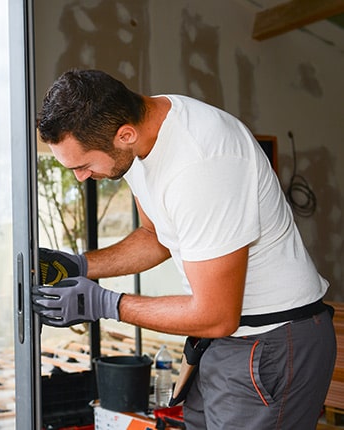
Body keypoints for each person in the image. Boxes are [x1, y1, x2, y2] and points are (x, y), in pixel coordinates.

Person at [32, 69, 335, 429]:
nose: (80, 177)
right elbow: (156, 235)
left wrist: (103, 303)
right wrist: (79, 265)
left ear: (124, 134)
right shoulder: (139, 139)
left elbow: (217, 314)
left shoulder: (202, 162)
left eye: (82, 165)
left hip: (269, 343)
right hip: (224, 343)